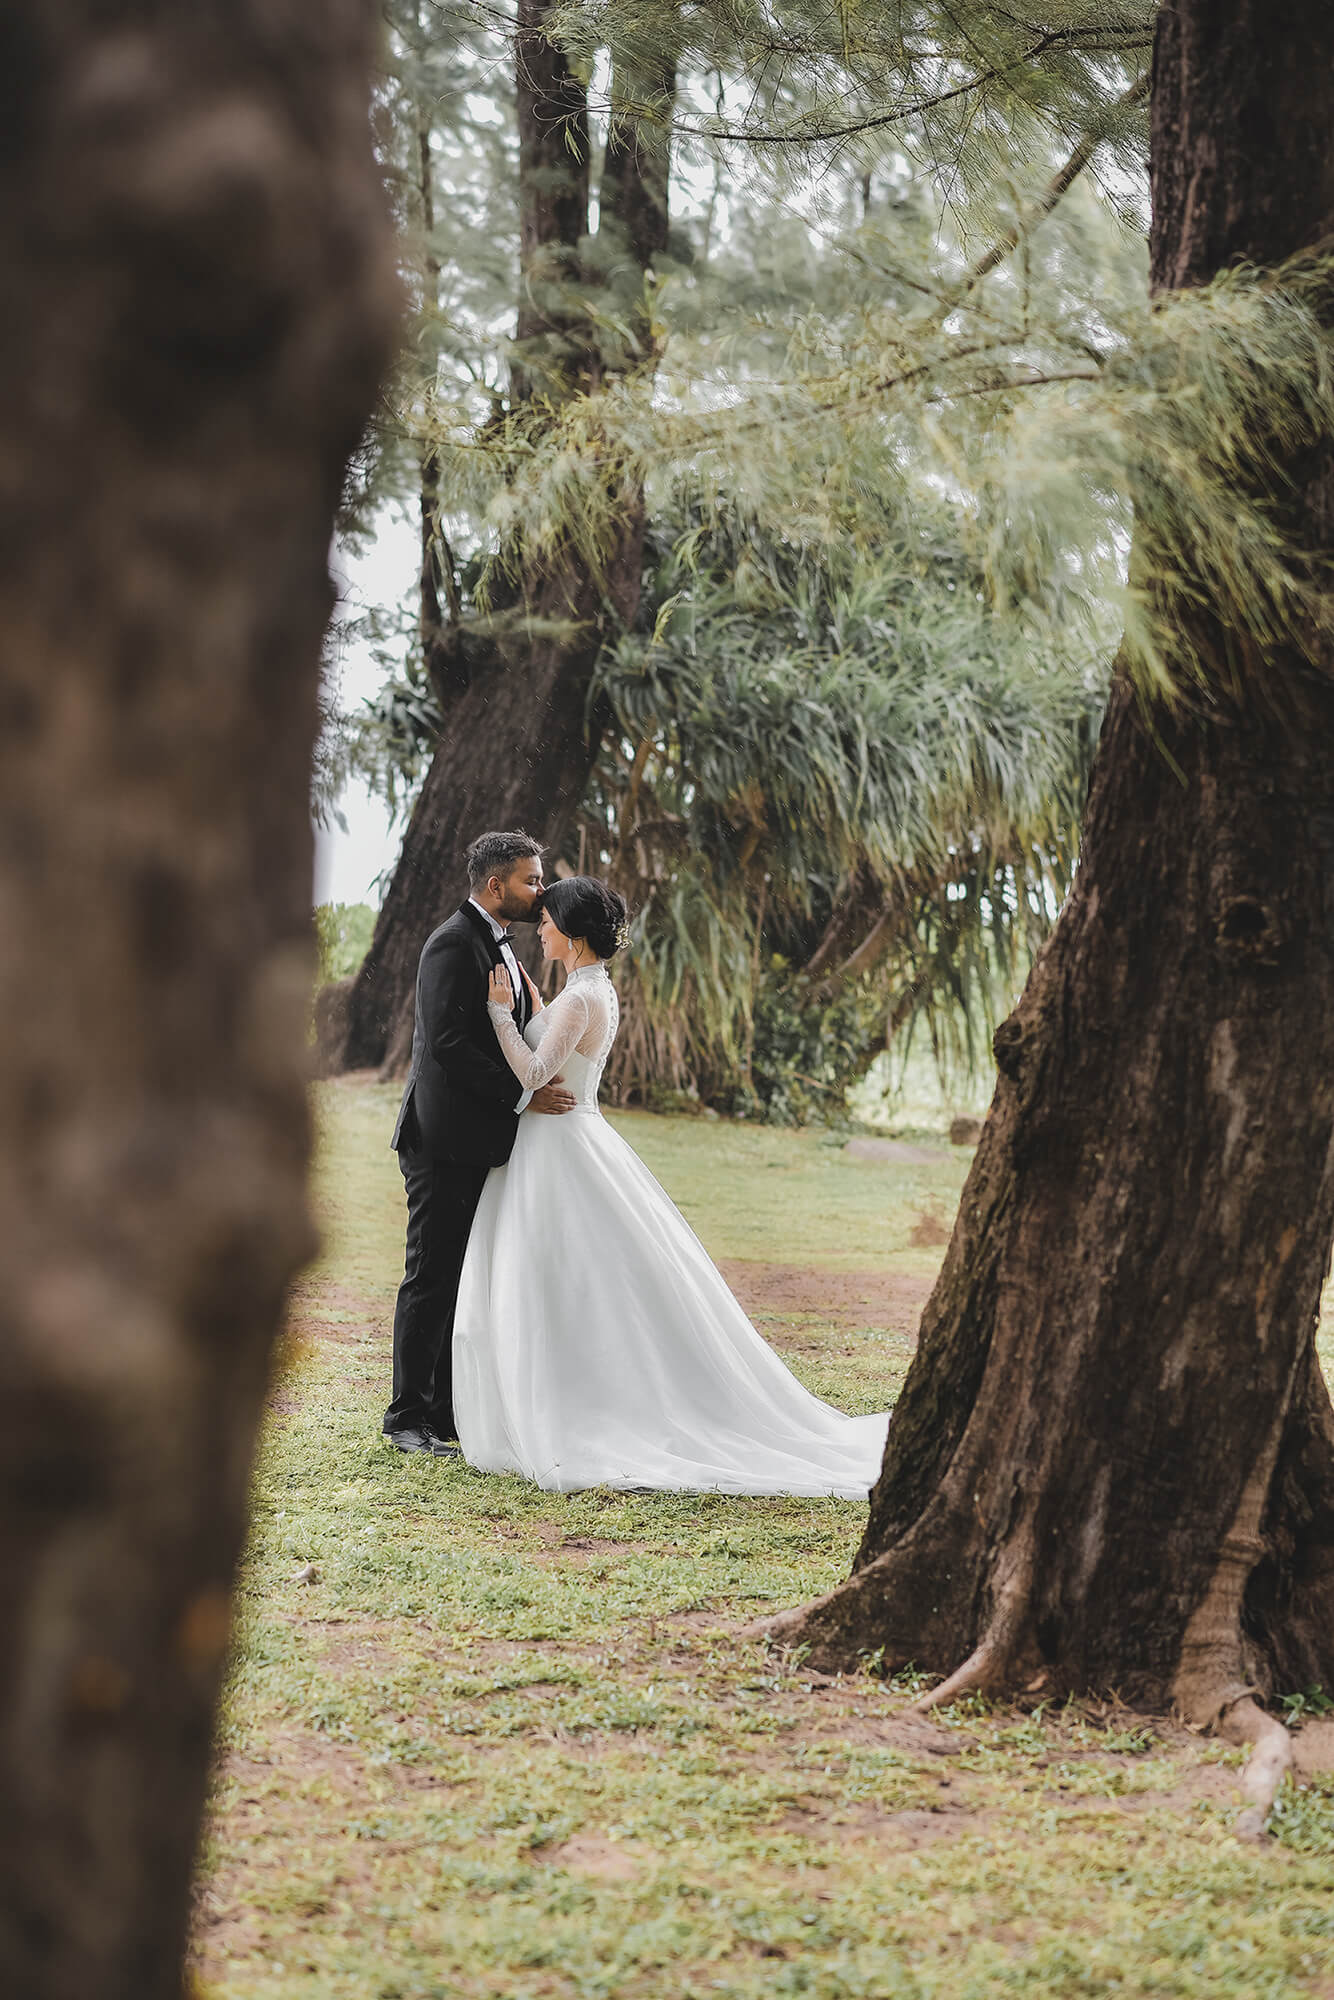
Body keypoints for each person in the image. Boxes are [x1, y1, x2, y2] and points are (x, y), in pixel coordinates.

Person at [453, 875, 890, 1496]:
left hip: (559, 1148)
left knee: (565, 1281)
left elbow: (532, 1073)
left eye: (547, 921)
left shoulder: (579, 1000)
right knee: (577, 1284)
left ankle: (574, 1404)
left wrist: (499, 1015)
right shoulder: (593, 988)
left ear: (572, 934)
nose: (540, 928)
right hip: (568, 1141)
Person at [383, 831, 575, 1455]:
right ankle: (406, 1418)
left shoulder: (500, 948)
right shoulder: (450, 944)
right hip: (441, 1140)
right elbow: (447, 1045)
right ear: (496, 885)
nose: (539, 891)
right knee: (430, 1278)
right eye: (531, 880)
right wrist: (522, 1095)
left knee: (456, 1279)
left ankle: (441, 1414)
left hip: (477, 1140)